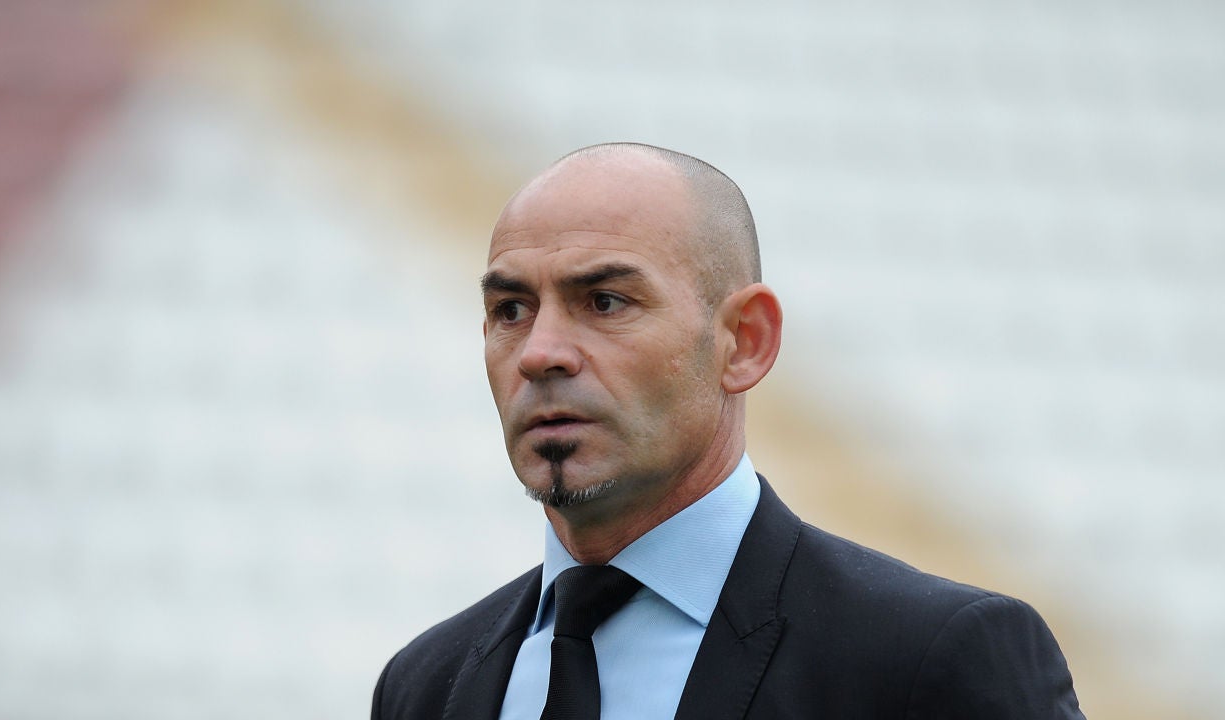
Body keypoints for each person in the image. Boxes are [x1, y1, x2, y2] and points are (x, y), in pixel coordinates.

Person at [371, 143, 1084, 719]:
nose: (540, 352)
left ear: (744, 341)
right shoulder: (424, 686)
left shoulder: (931, 658)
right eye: (511, 310)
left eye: (605, 300)